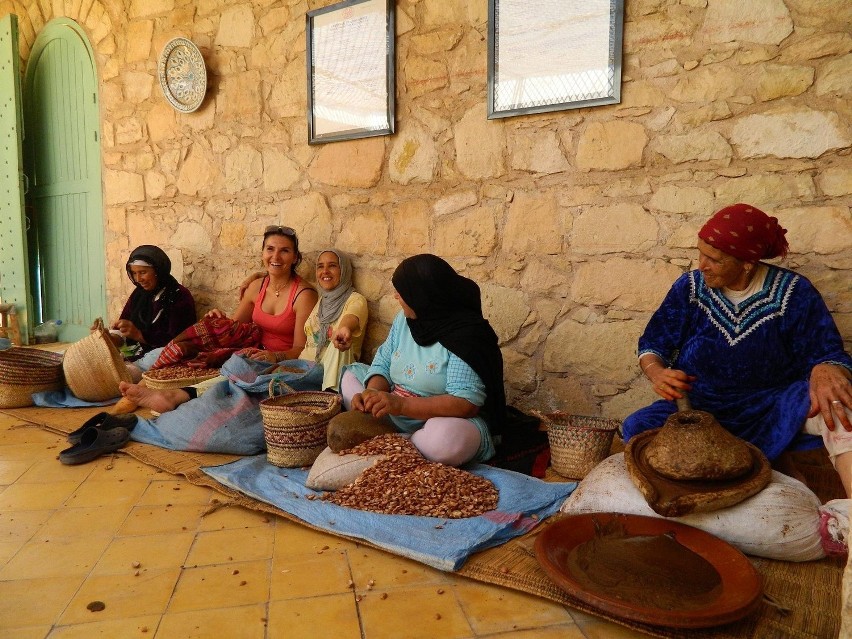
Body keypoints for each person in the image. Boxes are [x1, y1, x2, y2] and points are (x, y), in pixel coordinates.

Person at [621, 203, 852, 496]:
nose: (702, 265)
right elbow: (654, 343)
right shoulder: (689, 287)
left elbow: (828, 352)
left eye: (714, 259)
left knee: (840, 406)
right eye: (700, 253)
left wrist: (826, 368)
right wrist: (657, 372)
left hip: (773, 405)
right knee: (636, 429)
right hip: (701, 408)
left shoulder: (794, 291)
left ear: (747, 263)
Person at [119, 225, 318, 411]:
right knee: (194, 342)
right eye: (270, 249)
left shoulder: (304, 295)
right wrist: (217, 321)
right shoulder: (257, 287)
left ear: (295, 257)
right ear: (262, 253)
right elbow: (235, 326)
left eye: (284, 251)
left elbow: (301, 349)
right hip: (251, 350)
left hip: (279, 361)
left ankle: (175, 396)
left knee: (238, 368)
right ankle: (149, 383)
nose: (275, 256)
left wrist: (275, 356)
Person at [339, 254, 506, 467]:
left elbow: (465, 404)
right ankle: (399, 442)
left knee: (445, 441)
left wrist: (401, 405)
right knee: (350, 377)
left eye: (402, 293)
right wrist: (372, 393)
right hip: (394, 408)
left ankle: (399, 442)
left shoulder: (466, 335)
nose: (396, 297)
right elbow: (382, 362)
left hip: (440, 419)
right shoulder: (405, 319)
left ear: (422, 296)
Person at [106, 245, 196, 360]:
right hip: (135, 354)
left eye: (143, 272)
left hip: (164, 357)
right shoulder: (139, 294)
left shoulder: (178, 295)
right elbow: (123, 331)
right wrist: (109, 337)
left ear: (158, 271)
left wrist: (140, 335)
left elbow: (178, 340)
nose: (138, 279)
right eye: (134, 273)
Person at [300, 249, 368, 391]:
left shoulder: (355, 299)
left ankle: (329, 396)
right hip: (305, 368)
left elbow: (351, 318)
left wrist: (343, 329)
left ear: (344, 270)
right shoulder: (322, 301)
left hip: (331, 373)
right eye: (320, 266)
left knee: (338, 344)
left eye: (332, 266)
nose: (325, 271)